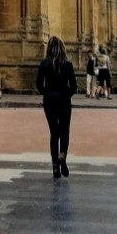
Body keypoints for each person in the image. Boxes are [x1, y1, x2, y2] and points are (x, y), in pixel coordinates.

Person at [35, 35, 77, 178]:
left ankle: (55, 167)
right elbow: (74, 87)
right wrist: (66, 96)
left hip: (50, 101)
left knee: (54, 133)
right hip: (64, 101)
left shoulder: (44, 63)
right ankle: (63, 155)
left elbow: (38, 84)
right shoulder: (68, 64)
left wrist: (46, 93)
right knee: (65, 131)